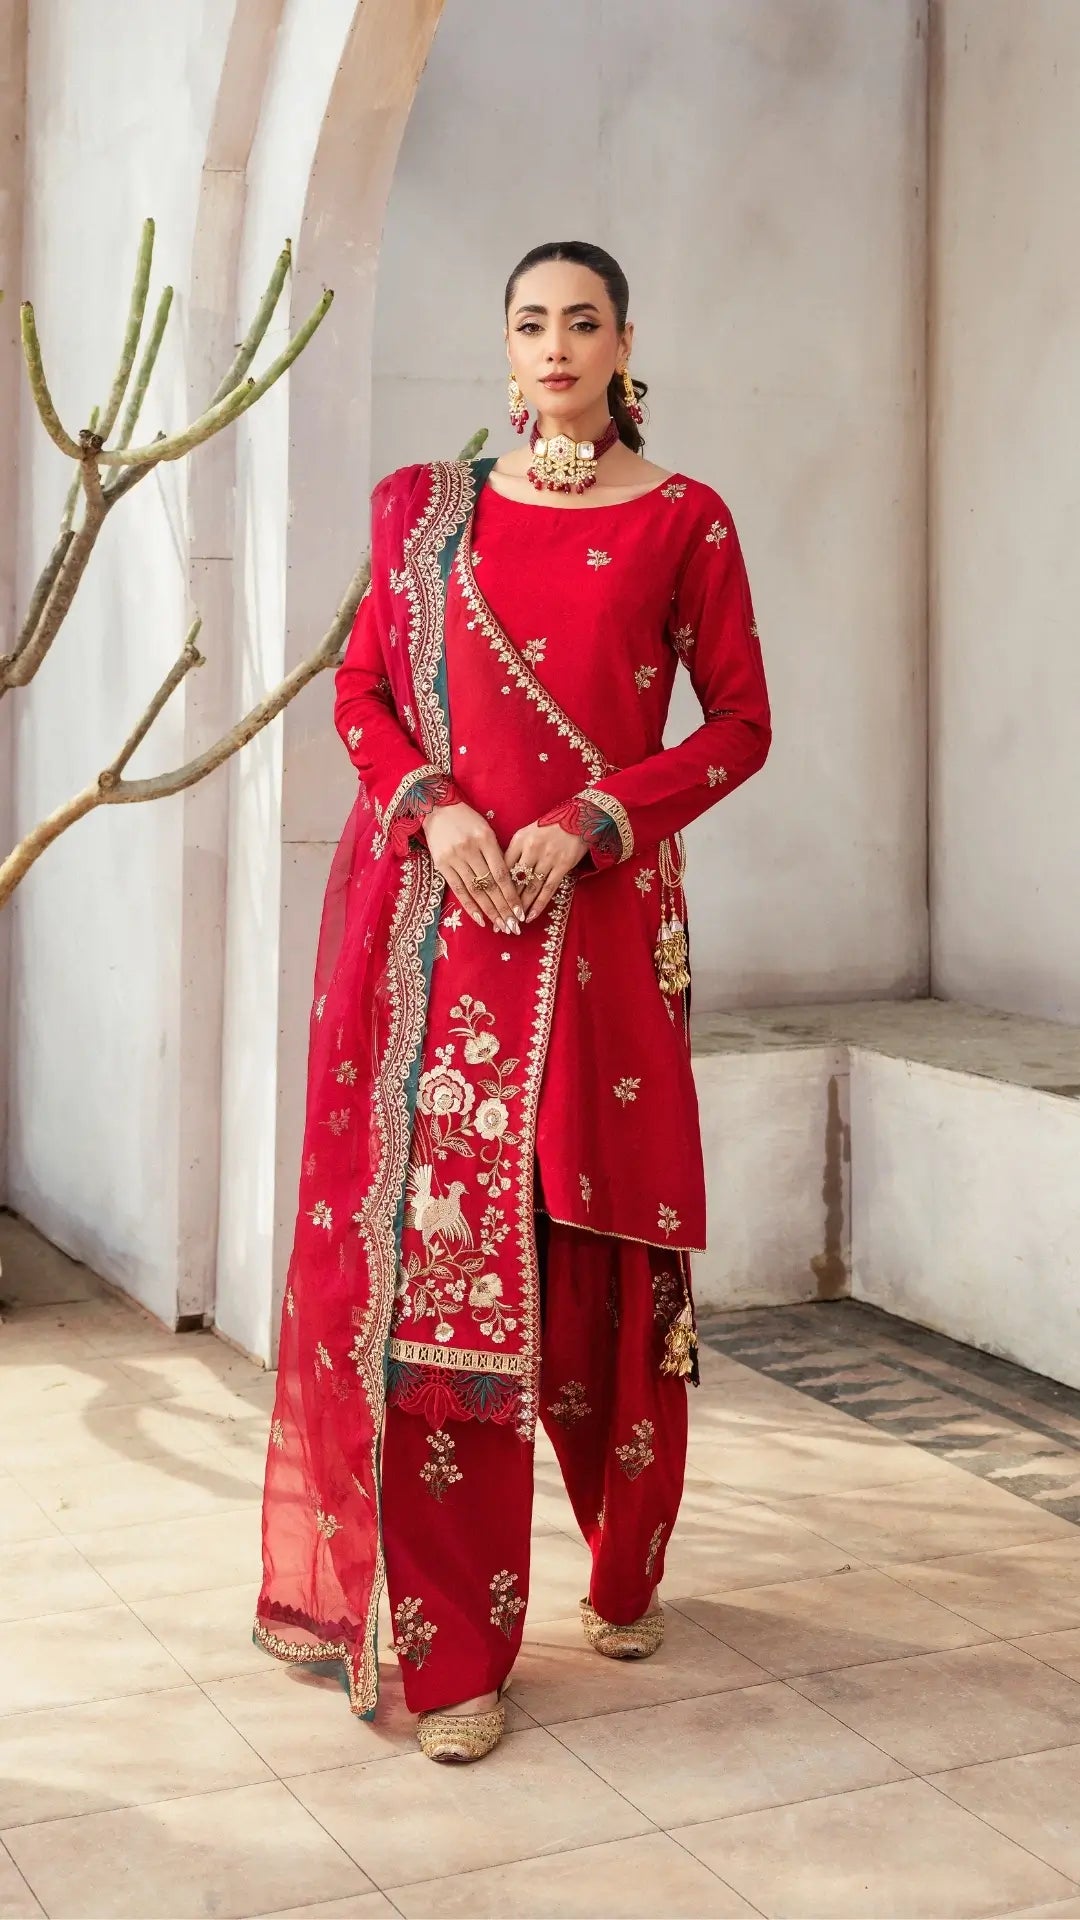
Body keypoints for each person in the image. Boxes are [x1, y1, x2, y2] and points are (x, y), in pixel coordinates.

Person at [254, 239, 772, 1763]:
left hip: (603, 938)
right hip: (449, 951)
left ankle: (626, 1563)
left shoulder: (687, 520)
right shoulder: (428, 518)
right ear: (503, 349)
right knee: (447, 1293)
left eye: (584, 322)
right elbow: (359, 693)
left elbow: (739, 726)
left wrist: (593, 819)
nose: (555, 346)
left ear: (625, 343)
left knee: (607, 1269)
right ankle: (457, 1652)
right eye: (531, 322)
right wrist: (433, 806)